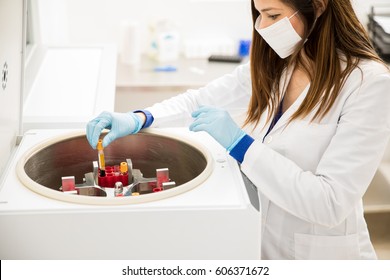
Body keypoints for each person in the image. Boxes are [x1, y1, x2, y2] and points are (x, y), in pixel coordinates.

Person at [86, 0, 390, 259]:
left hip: (322, 257)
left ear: (319, 7)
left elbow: (329, 202)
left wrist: (240, 145)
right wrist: (141, 117)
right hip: (260, 242)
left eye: (272, 15)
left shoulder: (368, 83)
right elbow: (200, 98)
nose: (261, 25)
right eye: (258, 13)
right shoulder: (282, 62)